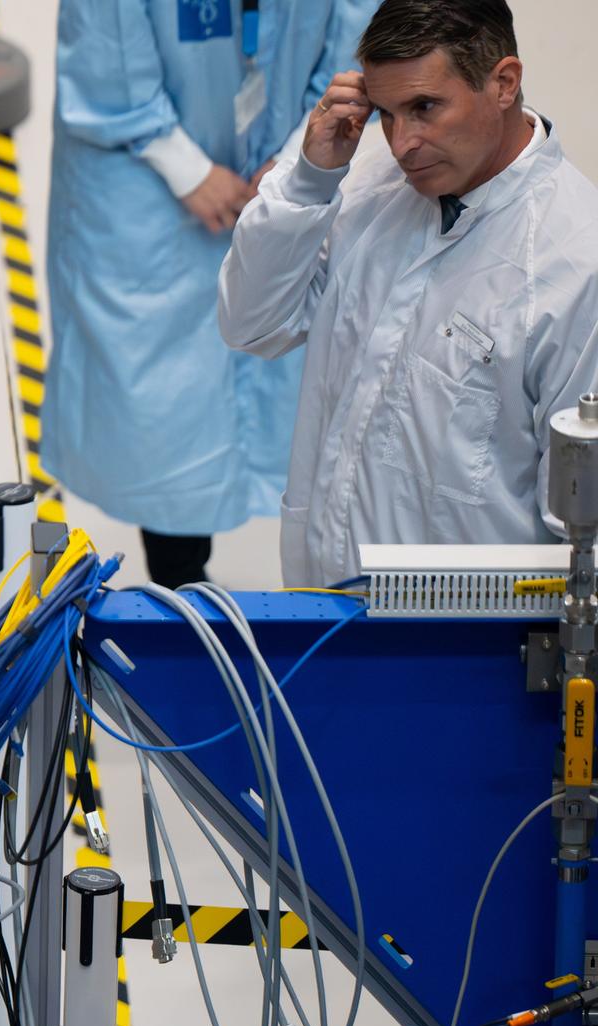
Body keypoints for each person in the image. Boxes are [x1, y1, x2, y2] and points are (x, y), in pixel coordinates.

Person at [218, 0, 598, 588]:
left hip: (464, 628)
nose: (402, 144)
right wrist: (309, 181)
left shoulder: (574, 265)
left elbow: (582, 544)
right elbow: (252, 325)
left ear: (503, 83)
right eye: (387, 114)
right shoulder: (372, 190)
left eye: (424, 107)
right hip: (323, 598)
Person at [44, 0, 378, 586]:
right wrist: (184, 167)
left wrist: (303, 151)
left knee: (295, 361)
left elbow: (359, 41)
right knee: (163, 396)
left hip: (287, 137)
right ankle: (179, 579)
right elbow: (107, 46)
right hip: (141, 171)